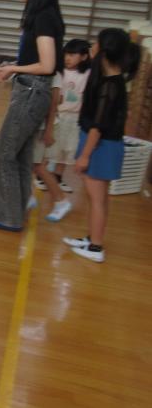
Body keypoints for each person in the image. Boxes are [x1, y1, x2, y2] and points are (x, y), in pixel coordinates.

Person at [0, 0, 64, 232]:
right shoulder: (44, 15)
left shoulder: (43, 17)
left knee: (1, 155)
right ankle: (16, 211)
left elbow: (47, 64)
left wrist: (11, 68)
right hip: (31, 89)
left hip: (32, 90)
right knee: (19, 155)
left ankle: (9, 217)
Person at [63, 29, 140, 263]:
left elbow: (98, 125)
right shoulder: (111, 80)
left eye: (96, 42)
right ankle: (92, 238)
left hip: (101, 146)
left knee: (97, 199)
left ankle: (96, 248)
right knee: (98, 198)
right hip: (101, 144)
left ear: (105, 49)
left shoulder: (110, 85)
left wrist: (84, 156)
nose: (92, 46)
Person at [43, 39, 91, 193]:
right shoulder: (59, 72)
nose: (67, 58)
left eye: (72, 55)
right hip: (58, 115)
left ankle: (57, 177)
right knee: (51, 147)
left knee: (67, 149)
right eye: (66, 54)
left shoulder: (87, 74)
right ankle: (42, 177)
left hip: (75, 118)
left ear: (84, 57)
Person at [31, 71, 72, 222]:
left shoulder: (54, 74)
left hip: (44, 127)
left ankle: (61, 201)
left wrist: (48, 130)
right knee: (29, 163)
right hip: (34, 124)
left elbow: (55, 102)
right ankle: (27, 197)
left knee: (38, 166)